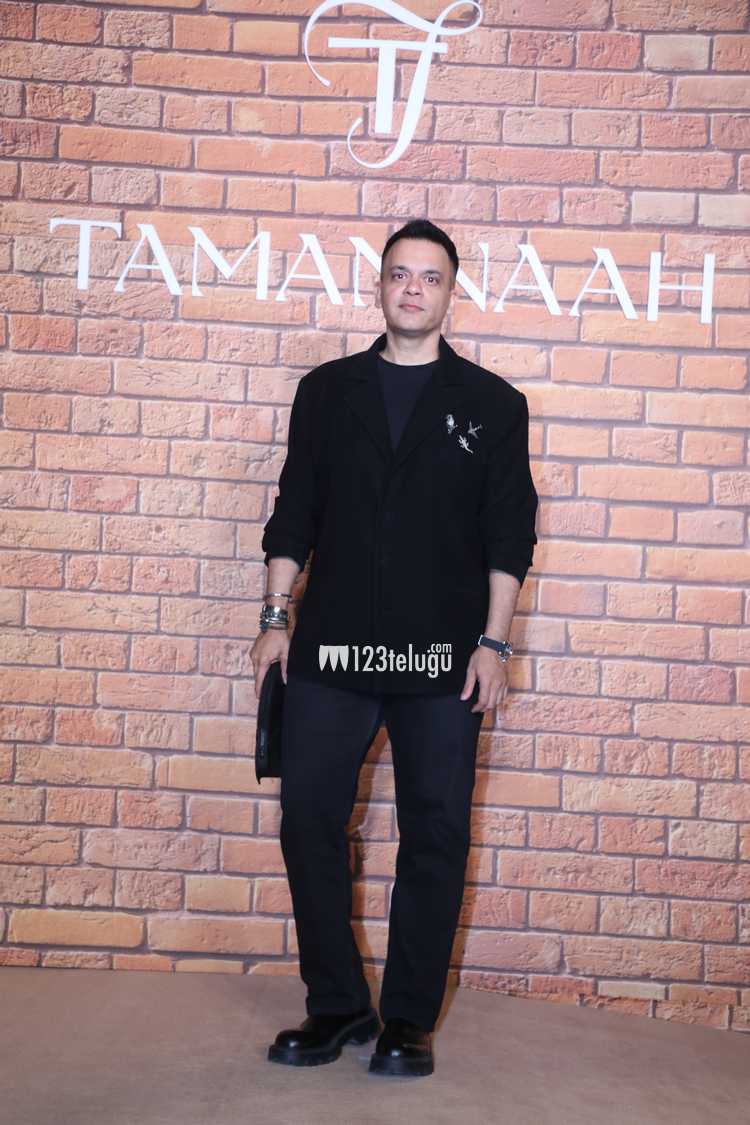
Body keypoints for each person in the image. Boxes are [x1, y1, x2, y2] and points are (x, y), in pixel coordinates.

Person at [251, 219, 538, 1078]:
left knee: (436, 829)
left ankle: (408, 1020)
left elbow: (509, 534)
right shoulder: (325, 392)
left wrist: (494, 642)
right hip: (334, 648)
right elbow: (294, 510)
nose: (414, 288)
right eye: (400, 274)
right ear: (379, 287)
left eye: (430, 277)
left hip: (442, 658)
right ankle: (337, 1002)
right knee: (307, 817)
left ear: (452, 293)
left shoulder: (493, 405)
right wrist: (275, 616)